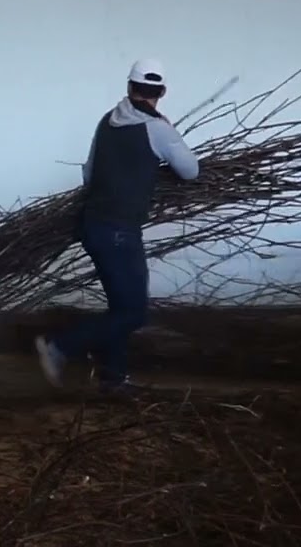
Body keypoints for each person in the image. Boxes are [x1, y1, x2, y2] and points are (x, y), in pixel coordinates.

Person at [35, 59, 199, 395]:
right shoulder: (158, 129)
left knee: (120, 308)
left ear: (129, 87)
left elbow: (89, 172)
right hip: (120, 231)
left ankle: (114, 379)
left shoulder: (106, 122)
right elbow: (191, 171)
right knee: (133, 314)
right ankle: (59, 348)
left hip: (93, 225)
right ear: (162, 92)